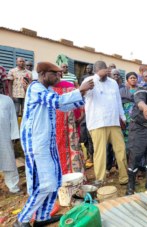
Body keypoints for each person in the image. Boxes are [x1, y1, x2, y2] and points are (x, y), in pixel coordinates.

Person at [15, 62, 93, 227]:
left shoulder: (47, 90)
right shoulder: (35, 88)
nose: (59, 76)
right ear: (43, 74)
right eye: (55, 74)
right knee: (45, 183)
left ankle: (42, 218)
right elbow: (57, 102)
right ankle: (22, 219)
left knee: (55, 181)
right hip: (36, 144)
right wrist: (79, 90)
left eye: (60, 74)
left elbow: (63, 106)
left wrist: (83, 93)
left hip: (47, 143)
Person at [82, 61, 128, 184]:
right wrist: (98, 76)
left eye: (105, 69)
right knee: (100, 154)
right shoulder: (90, 81)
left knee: (121, 150)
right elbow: (85, 94)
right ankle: (100, 180)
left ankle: (124, 178)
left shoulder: (113, 83)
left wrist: (123, 118)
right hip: (97, 123)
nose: (105, 71)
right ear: (95, 70)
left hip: (113, 122)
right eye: (101, 69)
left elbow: (118, 102)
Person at [53, 73, 85, 175]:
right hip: (53, 124)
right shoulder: (44, 88)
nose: (56, 76)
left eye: (58, 74)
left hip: (69, 123)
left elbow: (80, 100)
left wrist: (81, 116)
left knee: (72, 148)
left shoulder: (68, 85)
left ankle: (74, 175)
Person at [0, 94, 21, 194]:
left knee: (8, 161)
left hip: (4, 136)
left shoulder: (7, 100)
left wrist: (14, 136)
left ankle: (13, 187)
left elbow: (13, 118)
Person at [79, 64, 94, 169]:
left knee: (91, 139)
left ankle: (92, 157)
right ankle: (87, 156)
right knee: (84, 138)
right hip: (83, 120)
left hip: (92, 119)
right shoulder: (79, 95)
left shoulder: (93, 94)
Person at [120, 72, 139, 146]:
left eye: (134, 78)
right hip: (125, 116)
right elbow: (120, 104)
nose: (133, 79)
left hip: (137, 117)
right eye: (131, 78)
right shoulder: (122, 90)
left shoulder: (140, 90)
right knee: (125, 135)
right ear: (127, 80)